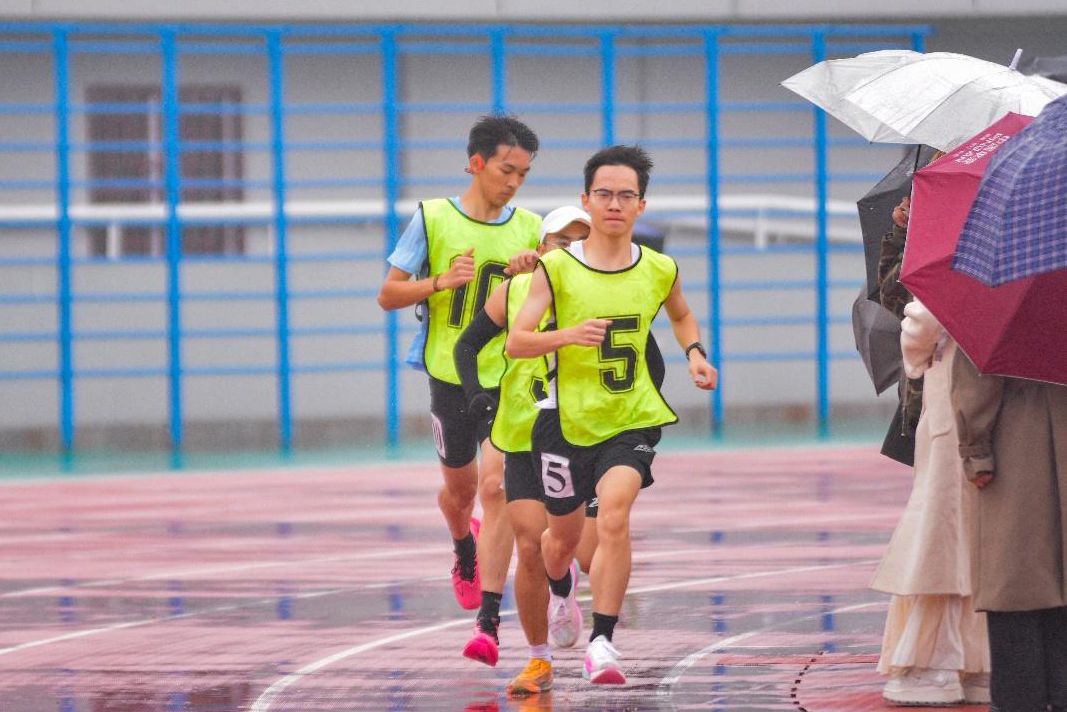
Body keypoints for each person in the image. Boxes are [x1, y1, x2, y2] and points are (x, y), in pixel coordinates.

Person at [506, 145, 718, 685]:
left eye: (627, 195)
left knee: (616, 516)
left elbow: (682, 314)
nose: (615, 204)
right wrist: (567, 335)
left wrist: (695, 353)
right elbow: (517, 342)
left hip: (631, 416)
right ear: (587, 200)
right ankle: (561, 591)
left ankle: (602, 642)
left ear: (641, 205)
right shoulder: (556, 268)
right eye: (605, 194)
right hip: (564, 421)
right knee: (559, 544)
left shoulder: (659, 268)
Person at [375, 114, 542, 662]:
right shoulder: (432, 218)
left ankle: (488, 618)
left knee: (495, 488)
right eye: (506, 169)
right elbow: (388, 295)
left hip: (506, 375)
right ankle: (462, 544)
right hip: (449, 375)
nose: (514, 182)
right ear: (476, 163)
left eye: (523, 174)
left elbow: (549, 294)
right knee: (460, 492)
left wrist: (534, 268)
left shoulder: (531, 228)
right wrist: (438, 282)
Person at [455, 205, 594, 696]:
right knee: (530, 546)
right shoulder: (515, 290)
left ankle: (568, 588)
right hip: (522, 433)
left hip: (584, 434)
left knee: (579, 550)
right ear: (541, 247)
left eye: (579, 242)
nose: (570, 250)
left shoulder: (604, 291)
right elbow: (466, 346)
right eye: (561, 242)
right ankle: (538, 659)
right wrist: (477, 395)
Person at [870, 298, 990, 706]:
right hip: (992, 411)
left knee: (939, 532)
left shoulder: (958, 267)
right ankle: (978, 662)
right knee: (977, 534)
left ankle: (933, 663)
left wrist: (917, 356)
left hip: (948, 408)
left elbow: (922, 321)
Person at [951, 352, 1067, 712]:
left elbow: (976, 385)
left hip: (1013, 448)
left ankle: (1020, 698)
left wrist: (976, 453)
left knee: (1012, 580)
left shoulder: (998, 320)